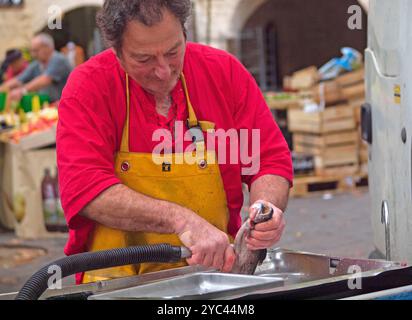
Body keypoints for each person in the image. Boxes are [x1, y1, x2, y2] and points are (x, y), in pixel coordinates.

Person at [57, 0, 293, 284]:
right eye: (143, 59)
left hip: (215, 277)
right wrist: (181, 221)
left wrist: (266, 209)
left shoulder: (223, 73)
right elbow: (85, 188)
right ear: (117, 51)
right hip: (116, 282)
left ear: (184, 33)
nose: (163, 71)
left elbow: (269, 160)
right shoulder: (89, 86)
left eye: (172, 52)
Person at [0, 33, 72, 103]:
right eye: (32, 51)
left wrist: (22, 91)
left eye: (36, 51)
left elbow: (45, 79)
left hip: (64, 104)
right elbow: (19, 79)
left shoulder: (58, 59)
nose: (33, 54)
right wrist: (2, 88)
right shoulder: (37, 64)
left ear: (47, 48)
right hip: (49, 105)